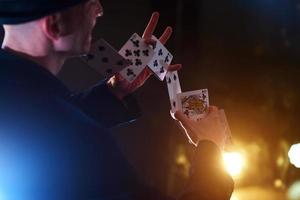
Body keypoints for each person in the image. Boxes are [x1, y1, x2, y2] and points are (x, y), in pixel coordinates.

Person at [0, 0, 233, 199]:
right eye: (90, 3)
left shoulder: (17, 96)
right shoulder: (83, 143)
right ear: (55, 25)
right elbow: (62, 134)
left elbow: (42, 124)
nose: (99, 10)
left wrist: (114, 91)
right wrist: (211, 149)